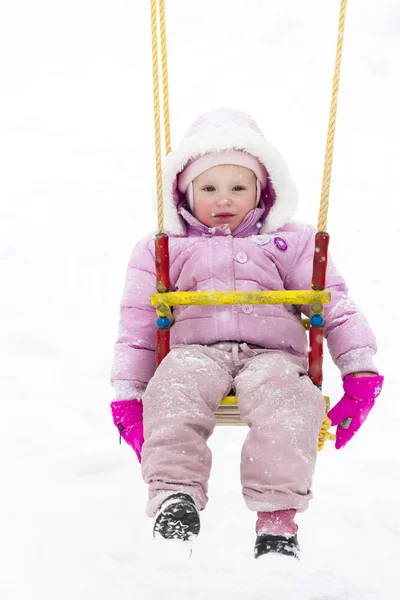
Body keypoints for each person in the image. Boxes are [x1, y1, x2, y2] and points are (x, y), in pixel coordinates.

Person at [110, 109, 383, 559]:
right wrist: (127, 393)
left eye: (239, 187)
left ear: (262, 190)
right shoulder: (165, 248)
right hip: (193, 353)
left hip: (272, 357)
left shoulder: (289, 242)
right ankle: (174, 498)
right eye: (209, 187)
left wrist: (359, 371)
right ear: (185, 191)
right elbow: (137, 325)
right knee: (172, 394)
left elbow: (333, 301)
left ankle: (277, 521)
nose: (224, 199)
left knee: (289, 404)